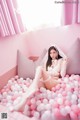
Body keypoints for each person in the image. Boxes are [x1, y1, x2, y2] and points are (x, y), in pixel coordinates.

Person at [12, 45, 68, 112]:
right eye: (50, 53)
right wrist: (40, 79)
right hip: (46, 81)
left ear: (57, 53)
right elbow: (43, 73)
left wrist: (65, 63)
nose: (52, 54)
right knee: (33, 85)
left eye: (54, 52)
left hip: (53, 82)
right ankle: (22, 103)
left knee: (39, 68)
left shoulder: (61, 61)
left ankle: (34, 86)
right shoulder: (47, 62)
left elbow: (62, 75)